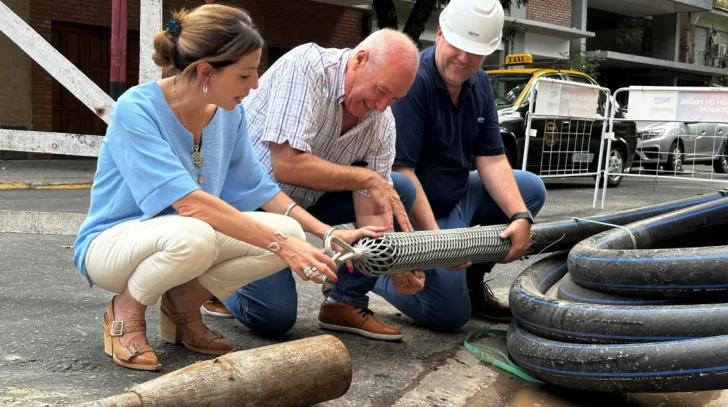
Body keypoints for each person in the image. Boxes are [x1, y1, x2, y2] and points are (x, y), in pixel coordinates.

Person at [72, 3, 381, 372]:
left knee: (287, 229)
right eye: (245, 75)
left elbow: (258, 189)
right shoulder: (135, 109)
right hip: (113, 245)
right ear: (205, 71)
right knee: (208, 234)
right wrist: (284, 248)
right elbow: (188, 204)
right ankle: (125, 309)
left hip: (186, 238)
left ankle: (183, 305)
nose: (254, 86)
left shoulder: (228, 113)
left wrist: (325, 233)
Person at [210, 29, 423, 341]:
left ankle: (345, 302)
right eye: (381, 91)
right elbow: (287, 164)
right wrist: (365, 177)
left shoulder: (382, 120)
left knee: (395, 190)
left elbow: (373, 212)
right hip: (245, 203)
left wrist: (391, 264)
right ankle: (215, 279)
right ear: (360, 60)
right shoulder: (307, 66)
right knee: (273, 318)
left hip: (301, 202)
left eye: (395, 99)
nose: (382, 105)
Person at [380, 0, 547, 329]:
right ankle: (368, 274)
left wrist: (519, 216)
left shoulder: (479, 83)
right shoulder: (415, 81)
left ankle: (471, 285)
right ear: (440, 34)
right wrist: (441, 246)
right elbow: (402, 173)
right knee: (450, 317)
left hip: (457, 196)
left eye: (476, 51)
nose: (464, 59)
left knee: (529, 190)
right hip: (415, 207)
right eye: (459, 46)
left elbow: (492, 158)